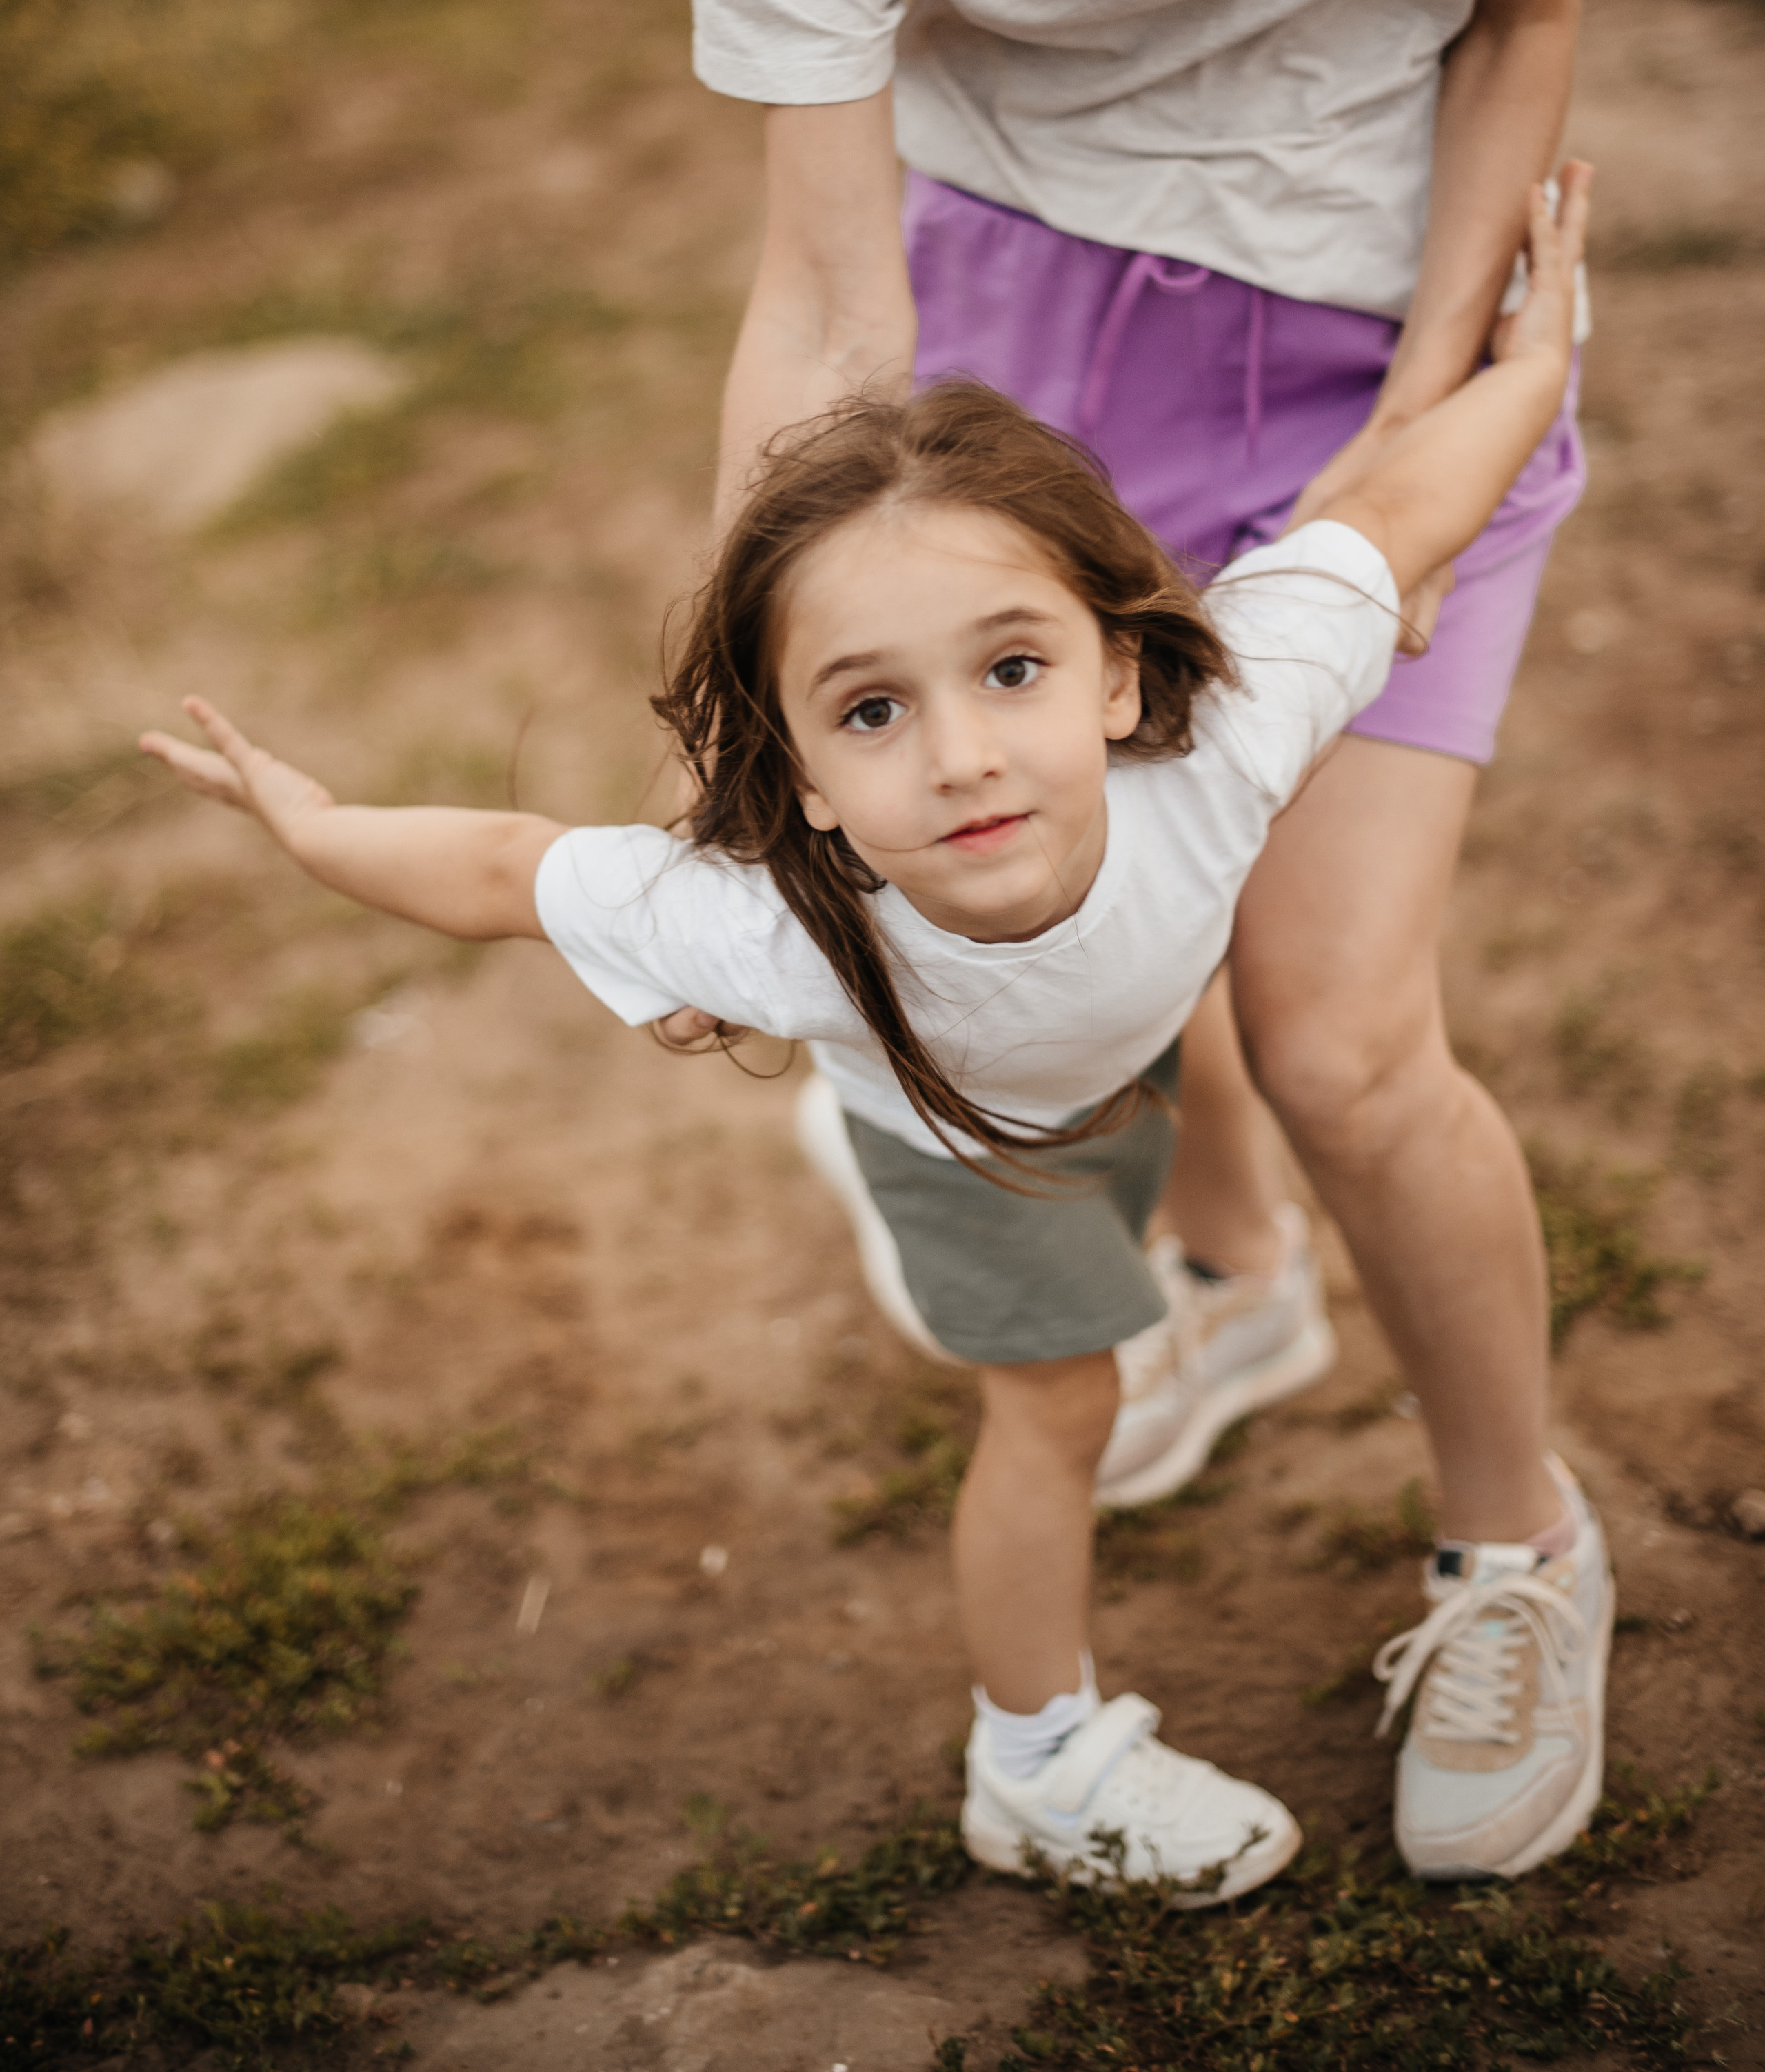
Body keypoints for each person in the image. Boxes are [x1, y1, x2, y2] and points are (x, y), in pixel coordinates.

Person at [141, 174, 1608, 1892]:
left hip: (1108, 1050)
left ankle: (1237, 1286)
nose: (964, 755)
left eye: (1009, 669)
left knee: (1179, 1016)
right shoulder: (768, 922)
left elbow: (1394, 510)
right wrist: (311, 823)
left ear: (1117, 676)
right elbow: (499, 865)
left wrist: (1534, 350)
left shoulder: (1227, 732)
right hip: (970, 1146)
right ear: (810, 783)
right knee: (1053, 1408)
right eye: (871, 710)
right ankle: (1038, 1758)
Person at [680, 0, 1668, 1874]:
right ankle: (1226, 1280)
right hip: (1026, 367)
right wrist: (741, 729)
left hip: (1390, 339)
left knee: (1338, 1023)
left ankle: (1519, 1543)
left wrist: (1422, 435)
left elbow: (1521, 17)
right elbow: (822, 278)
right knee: (1082, 912)